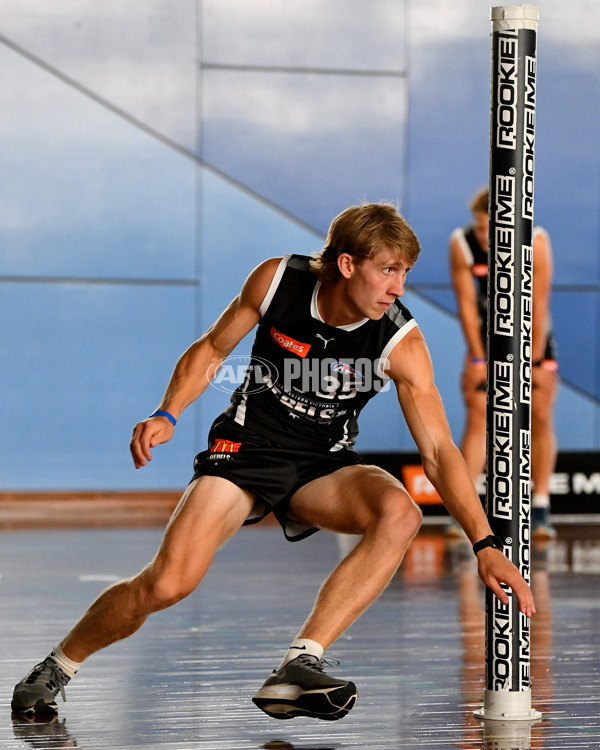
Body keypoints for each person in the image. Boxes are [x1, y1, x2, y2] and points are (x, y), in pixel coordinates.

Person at [12, 202, 535, 721]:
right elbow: (213, 349)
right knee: (166, 584)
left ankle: (300, 663)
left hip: (321, 465)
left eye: (405, 273)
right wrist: (167, 413)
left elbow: (441, 452)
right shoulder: (279, 279)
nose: (399, 287)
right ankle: (58, 664)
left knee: (401, 512)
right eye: (388, 270)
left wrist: (484, 542)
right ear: (348, 264)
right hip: (246, 449)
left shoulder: (400, 340)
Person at [448, 187, 559, 540]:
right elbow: (466, 306)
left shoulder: (536, 242)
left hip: (533, 339)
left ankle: (539, 509)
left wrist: (536, 360)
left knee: (538, 414)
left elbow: (538, 306)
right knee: (480, 412)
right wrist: (478, 358)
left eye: (490, 230)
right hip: (486, 338)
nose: (483, 236)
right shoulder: (461, 244)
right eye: (479, 228)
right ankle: (465, 510)